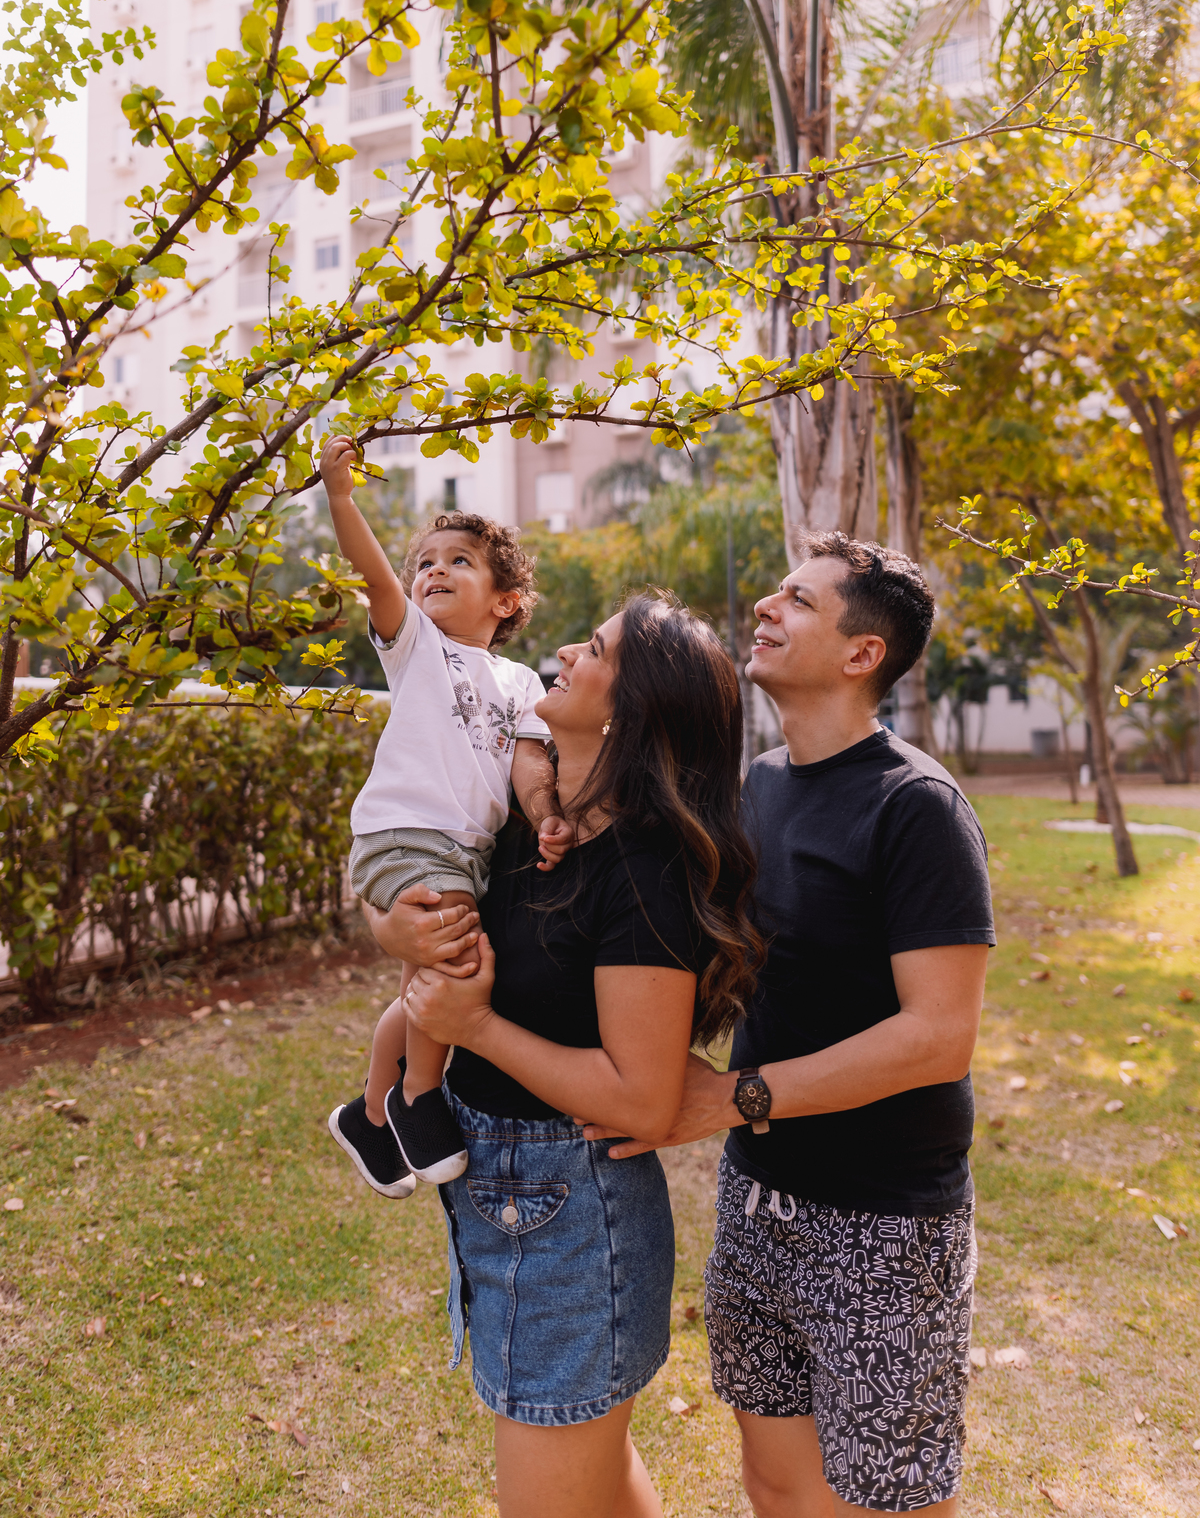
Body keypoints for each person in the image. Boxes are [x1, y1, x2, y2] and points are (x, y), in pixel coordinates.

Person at [586, 533, 995, 1517]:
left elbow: (938, 1035)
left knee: (886, 1497)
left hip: (887, 1224)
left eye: (800, 602)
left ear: (863, 654)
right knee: (776, 1483)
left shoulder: (918, 807)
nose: (767, 609)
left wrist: (736, 1097)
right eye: (774, 593)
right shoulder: (757, 786)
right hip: (761, 1204)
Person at [371, 594, 764, 1518]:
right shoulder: (521, 821)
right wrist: (391, 925)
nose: (560, 650)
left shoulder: (643, 869)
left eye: (591, 649)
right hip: (507, 1199)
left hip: (573, 1221)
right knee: (599, 1479)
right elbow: (403, 884)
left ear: (627, 714)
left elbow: (640, 1099)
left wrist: (475, 1029)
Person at [320, 434, 572, 1194]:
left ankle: (367, 1115)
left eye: (458, 560)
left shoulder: (524, 678)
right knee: (457, 964)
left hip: (468, 850)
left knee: (423, 989)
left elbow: (530, 759)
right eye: (425, 560)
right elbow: (371, 574)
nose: (434, 569)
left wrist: (546, 812)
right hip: (407, 831)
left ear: (507, 602)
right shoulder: (417, 646)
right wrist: (340, 496)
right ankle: (419, 1097)